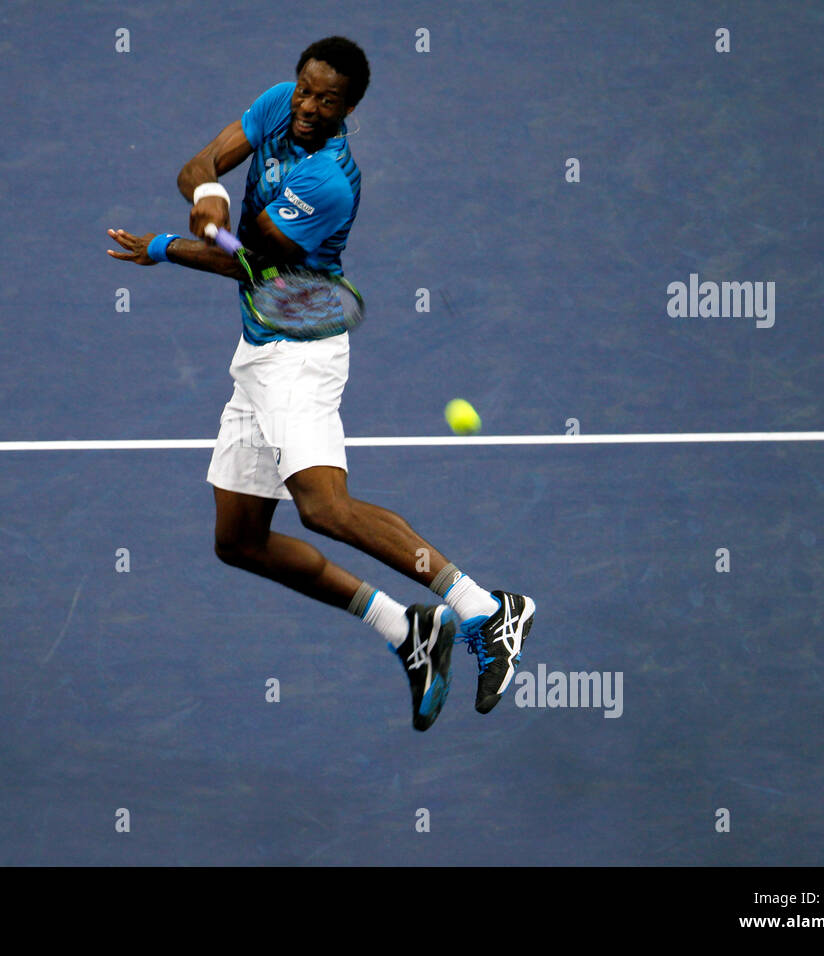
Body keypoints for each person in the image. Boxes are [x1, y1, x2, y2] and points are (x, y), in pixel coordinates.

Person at [107, 36, 533, 731]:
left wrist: (164, 246)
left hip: (300, 352)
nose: (306, 107)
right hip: (257, 352)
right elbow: (201, 162)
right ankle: (408, 630)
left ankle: (485, 607)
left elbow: (245, 266)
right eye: (303, 90)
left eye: (324, 100)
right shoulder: (280, 105)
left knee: (324, 509)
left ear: (349, 110)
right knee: (239, 540)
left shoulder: (329, 183)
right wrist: (210, 193)